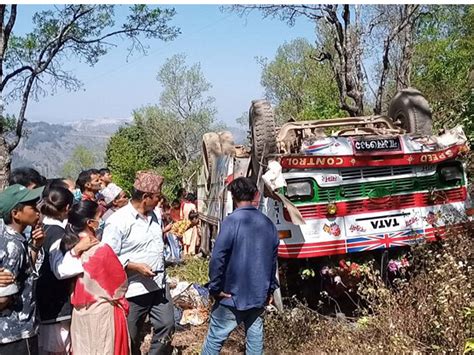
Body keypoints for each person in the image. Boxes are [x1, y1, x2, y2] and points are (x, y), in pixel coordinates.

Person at [201, 177, 279, 355]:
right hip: (258, 296)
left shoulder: (231, 222)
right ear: (256, 195)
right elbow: (272, 262)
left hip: (232, 296)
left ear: (233, 196)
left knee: (215, 340)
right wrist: (269, 291)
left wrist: (215, 288)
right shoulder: (268, 224)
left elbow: (217, 258)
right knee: (255, 342)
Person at [102, 171, 174, 355]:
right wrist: (134, 266)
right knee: (129, 337)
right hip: (133, 290)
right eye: (157, 196)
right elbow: (107, 257)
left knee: (167, 325)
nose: (160, 200)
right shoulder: (118, 221)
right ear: (145, 197)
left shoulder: (155, 215)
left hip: (158, 286)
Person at [61, 200, 129, 354]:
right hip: (103, 313)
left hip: (79, 316)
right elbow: (119, 285)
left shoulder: (69, 247)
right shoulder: (101, 249)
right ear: (91, 223)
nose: (102, 220)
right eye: (100, 216)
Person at [36, 186, 96, 355]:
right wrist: (78, 253)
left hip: (46, 303)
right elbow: (60, 270)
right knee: (58, 349)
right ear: (68, 208)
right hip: (55, 305)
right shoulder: (56, 235)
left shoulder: (44, 229)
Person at [0, 184, 45, 354]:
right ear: (15, 214)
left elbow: (22, 274)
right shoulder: (13, 245)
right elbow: (3, 299)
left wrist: (34, 247)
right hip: (15, 332)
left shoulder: (12, 239)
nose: (37, 211)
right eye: (32, 207)